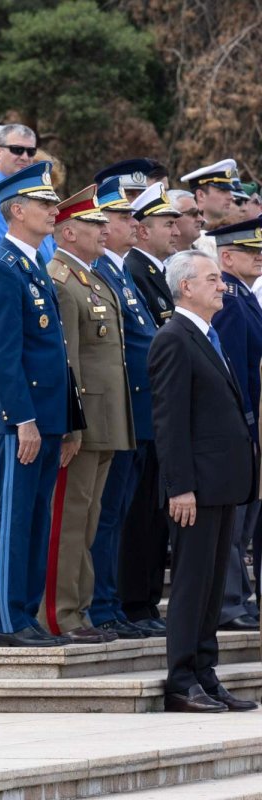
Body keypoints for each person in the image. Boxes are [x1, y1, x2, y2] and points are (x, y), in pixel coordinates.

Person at [148, 249, 258, 713]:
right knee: (193, 585)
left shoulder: (209, 336)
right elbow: (170, 421)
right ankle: (181, 679)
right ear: (186, 287)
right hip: (194, 488)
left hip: (222, 484)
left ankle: (206, 674)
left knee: (213, 585)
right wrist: (179, 487)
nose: (222, 286)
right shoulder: (174, 338)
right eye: (213, 279)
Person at [0, 161, 70, 647]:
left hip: (48, 418)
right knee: (15, 521)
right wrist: (23, 420)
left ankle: (28, 615)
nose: (54, 210)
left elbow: (56, 352)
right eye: (44, 203)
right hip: (22, 422)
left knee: (38, 519)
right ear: (16, 210)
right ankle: (11, 620)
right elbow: (5, 357)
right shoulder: (2, 270)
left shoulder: (32, 265)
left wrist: (66, 421)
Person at [39, 185, 133, 644]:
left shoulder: (92, 278)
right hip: (83, 423)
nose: (104, 231)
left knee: (89, 519)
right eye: (94, 224)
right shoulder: (60, 280)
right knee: (69, 519)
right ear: (69, 232)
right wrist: (71, 425)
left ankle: (81, 609)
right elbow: (68, 361)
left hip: (107, 419)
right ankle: (59, 615)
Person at [88, 174, 160, 640]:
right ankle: (101, 605)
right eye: (117, 216)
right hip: (119, 411)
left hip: (137, 410)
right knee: (107, 515)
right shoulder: (101, 272)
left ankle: (111, 604)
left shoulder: (116, 272)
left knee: (119, 514)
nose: (130, 221)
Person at [207, 218, 262, 631]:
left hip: (252, 418)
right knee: (235, 522)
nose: (259, 256)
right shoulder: (228, 299)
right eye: (250, 250)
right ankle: (229, 602)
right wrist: (245, 419)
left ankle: (238, 597)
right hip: (243, 417)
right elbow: (232, 369)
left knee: (243, 521)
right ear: (226, 257)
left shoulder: (244, 296)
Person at [0, 123, 55, 283]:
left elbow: (49, 245)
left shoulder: (30, 192)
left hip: (35, 284)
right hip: (3, 290)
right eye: (17, 150)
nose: (25, 157)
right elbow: (9, 254)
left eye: (31, 151)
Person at [125, 182, 181, 327]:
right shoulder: (134, 272)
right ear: (143, 232)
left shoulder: (152, 269)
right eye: (169, 224)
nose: (177, 232)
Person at [181, 159, 237, 257]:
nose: (230, 196)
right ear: (201, 195)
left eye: (229, 191)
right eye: (223, 191)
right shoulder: (187, 234)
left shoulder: (230, 230)